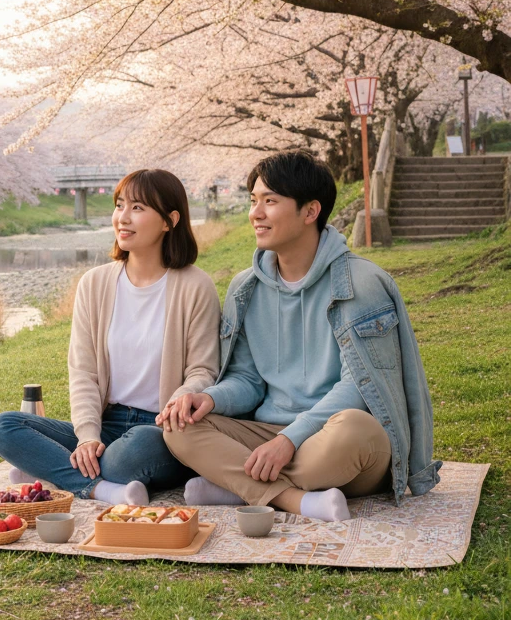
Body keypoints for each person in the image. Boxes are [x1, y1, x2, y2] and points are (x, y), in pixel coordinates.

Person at [165, 151, 440, 521]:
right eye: (253, 201)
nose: (256, 214)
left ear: (310, 212)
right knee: (179, 427)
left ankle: (236, 485)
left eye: (270, 201)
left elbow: (360, 386)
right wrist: (208, 399)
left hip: (334, 437)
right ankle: (294, 500)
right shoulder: (244, 288)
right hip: (268, 433)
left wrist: (290, 439)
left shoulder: (362, 284)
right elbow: (247, 379)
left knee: (354, 431)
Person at [0, 169, 221, 506]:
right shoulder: (94, 283)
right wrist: (86, 436)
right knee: (4, 427)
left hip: (161, 432)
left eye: (138, 208)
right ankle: (101, 489)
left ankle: (53, 471)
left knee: (128, 455)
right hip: (106, 423)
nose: (122, 218)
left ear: (169, 221)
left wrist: (184, 395)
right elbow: (84, 372)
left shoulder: (195, 286)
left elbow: (203, 370)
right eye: (119, 205)